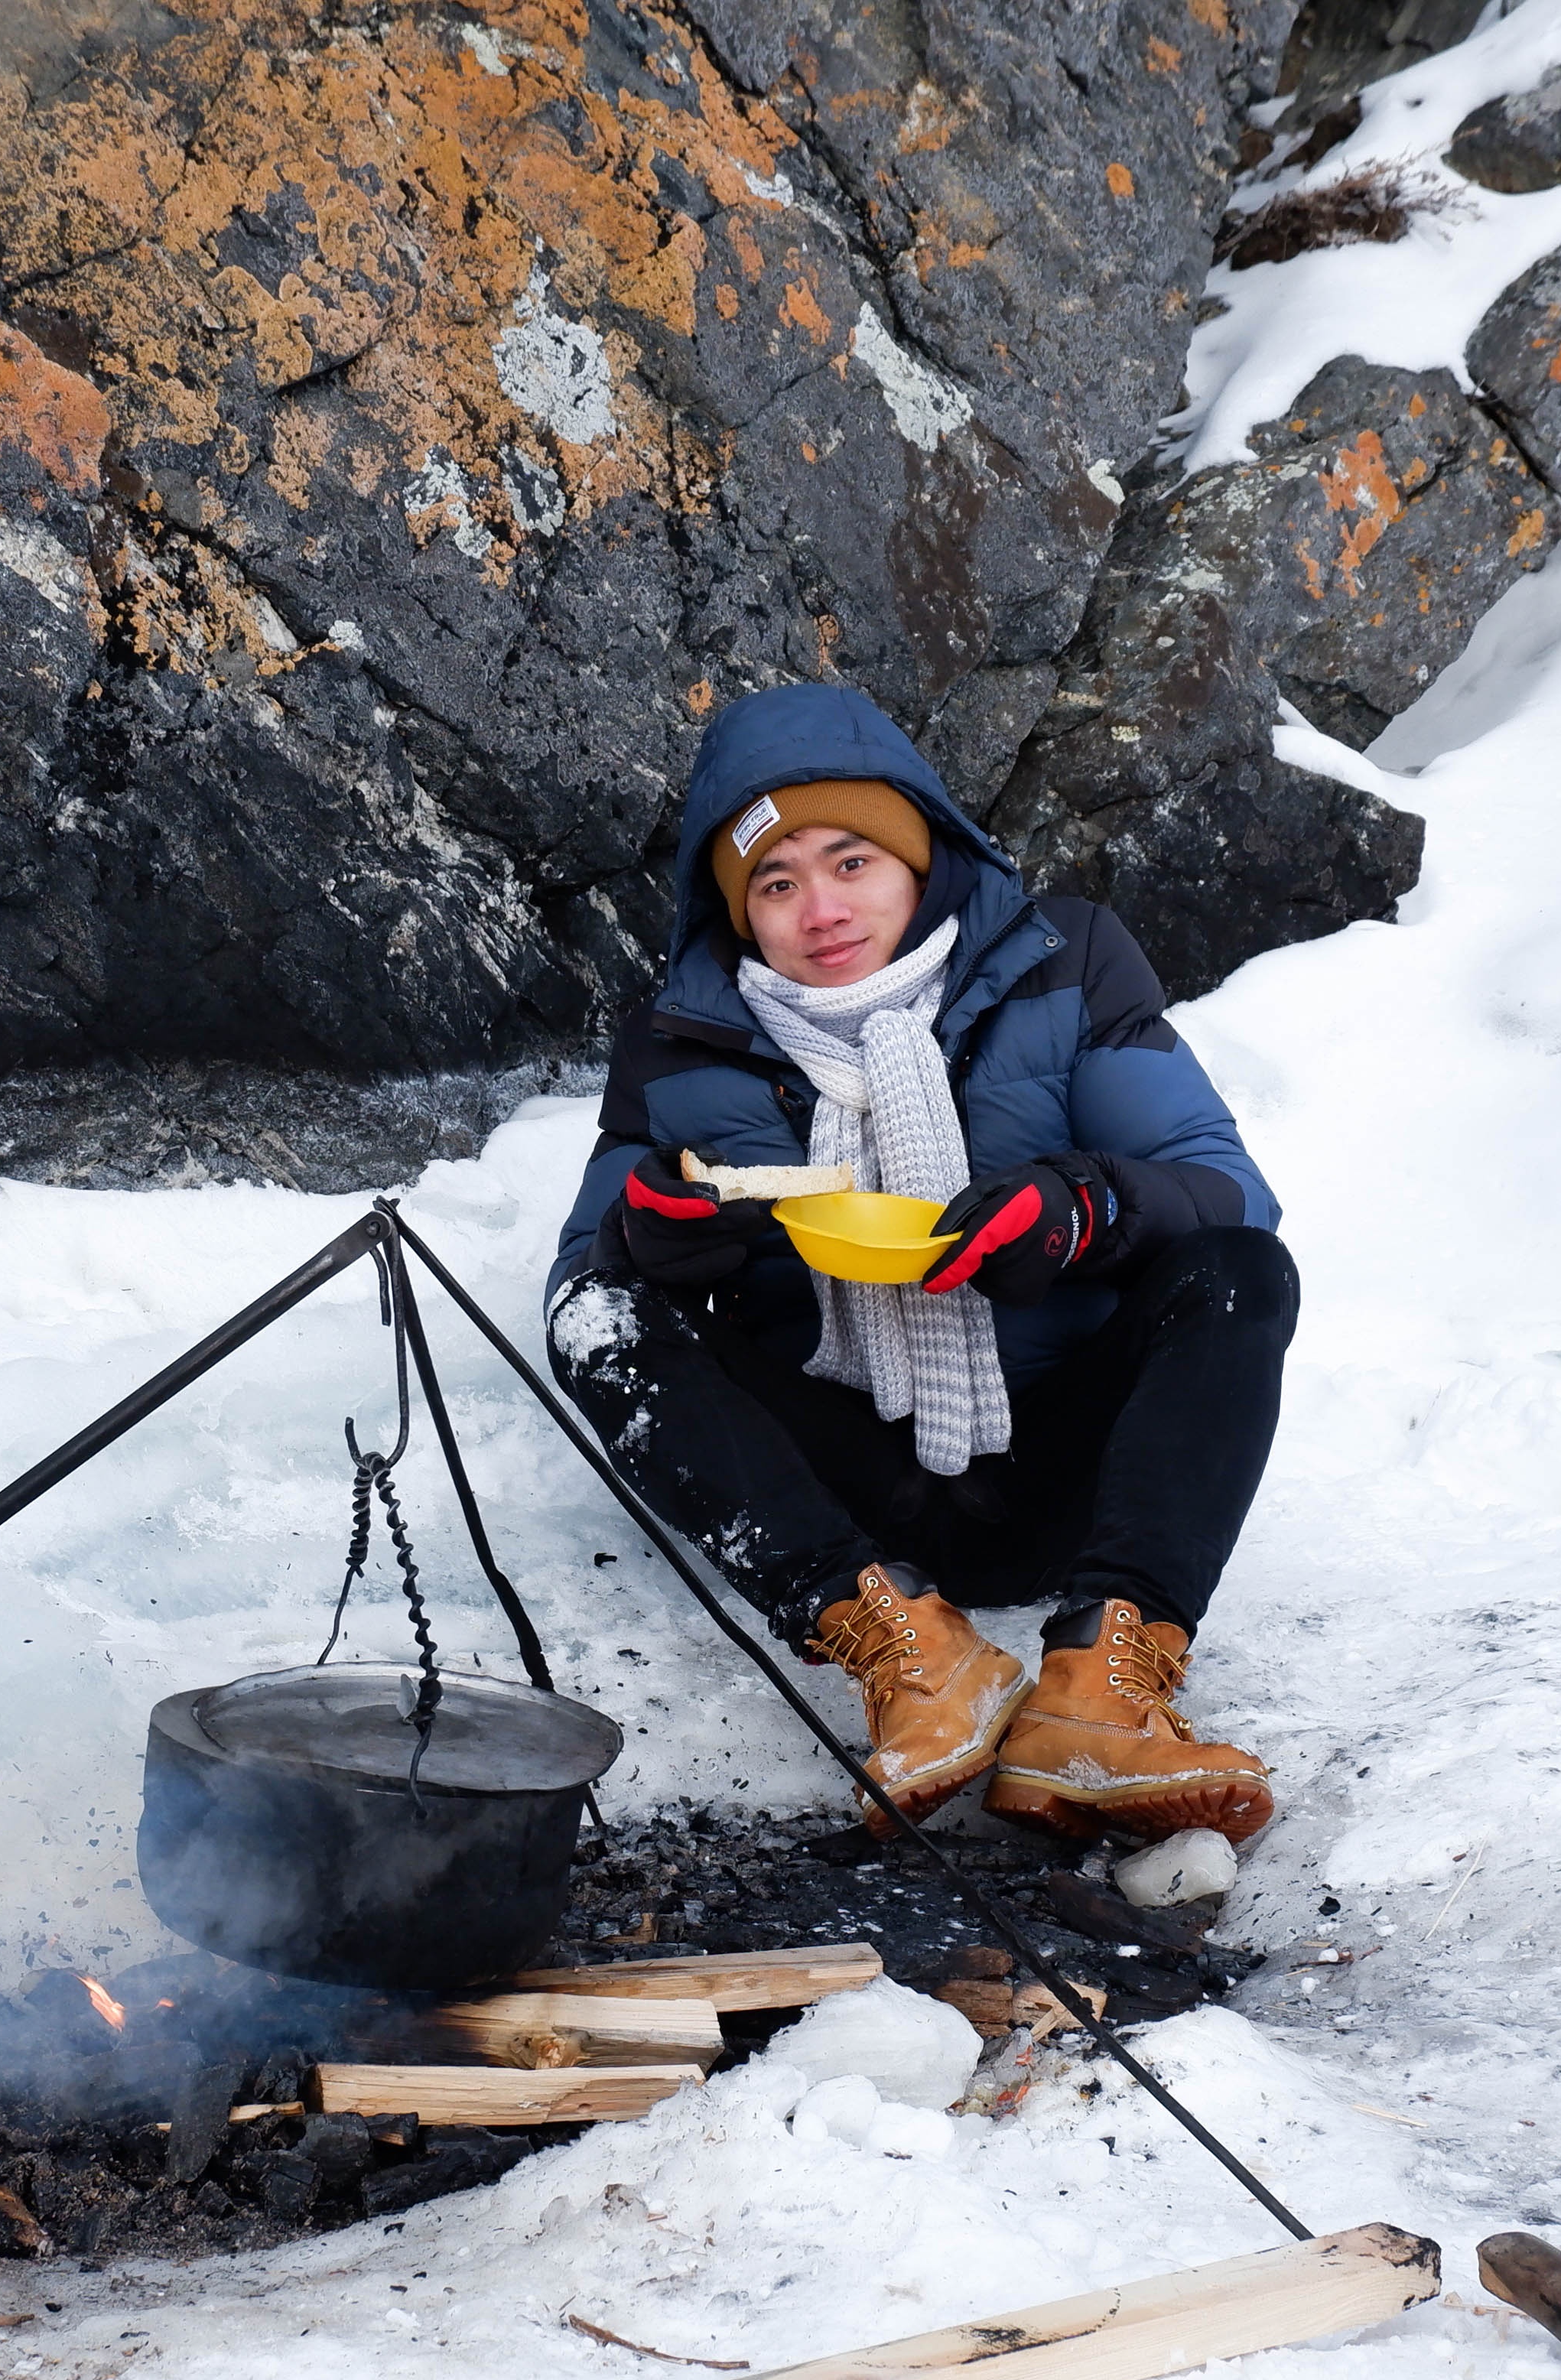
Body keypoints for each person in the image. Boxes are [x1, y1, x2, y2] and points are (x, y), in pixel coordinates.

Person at [545, 681, 1298, 1846]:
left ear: (920, 854)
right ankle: (915, 1657)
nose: (821, 909)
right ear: (740, 912)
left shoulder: (1065, 960)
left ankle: (1105, 1689)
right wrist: (646, 1236)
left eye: (852, 862)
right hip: (840, 1487)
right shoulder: (680, 1040)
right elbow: (587, 1272)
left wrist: (1081, 1211)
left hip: (1057, 1452)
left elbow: (1224, 1183)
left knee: (1242, 1267)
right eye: (778, 883)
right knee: (600, 1319)